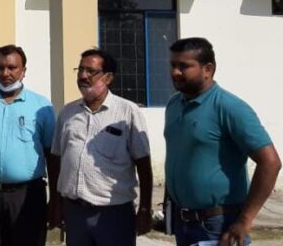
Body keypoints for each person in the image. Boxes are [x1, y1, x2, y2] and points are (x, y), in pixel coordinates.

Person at [165, 37, 281, 246]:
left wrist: (245, 221)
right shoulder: (175, 105)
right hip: (183, 223)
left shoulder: (229, 107)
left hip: (218, 226)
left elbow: (270, 163)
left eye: (184, 66)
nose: (175, 72)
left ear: (208, 69)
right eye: (173, 65)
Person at [48, 48, 152, 246]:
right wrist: (55, 202)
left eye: (91, 71)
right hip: (75, 212)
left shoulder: (127, 112)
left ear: (108, 77)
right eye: (80, 70)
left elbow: (143, 164)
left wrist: (145, 209)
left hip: (114, 214)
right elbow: (56, 158)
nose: (83, 76)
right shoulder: (68, 113)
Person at [0, 44, 56, 246]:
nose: (5, 73)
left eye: (12, 67)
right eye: (0, 68)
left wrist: (56, 201)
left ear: (23, 71)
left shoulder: (42, 106)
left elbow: (52, 155)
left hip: (27, 197)